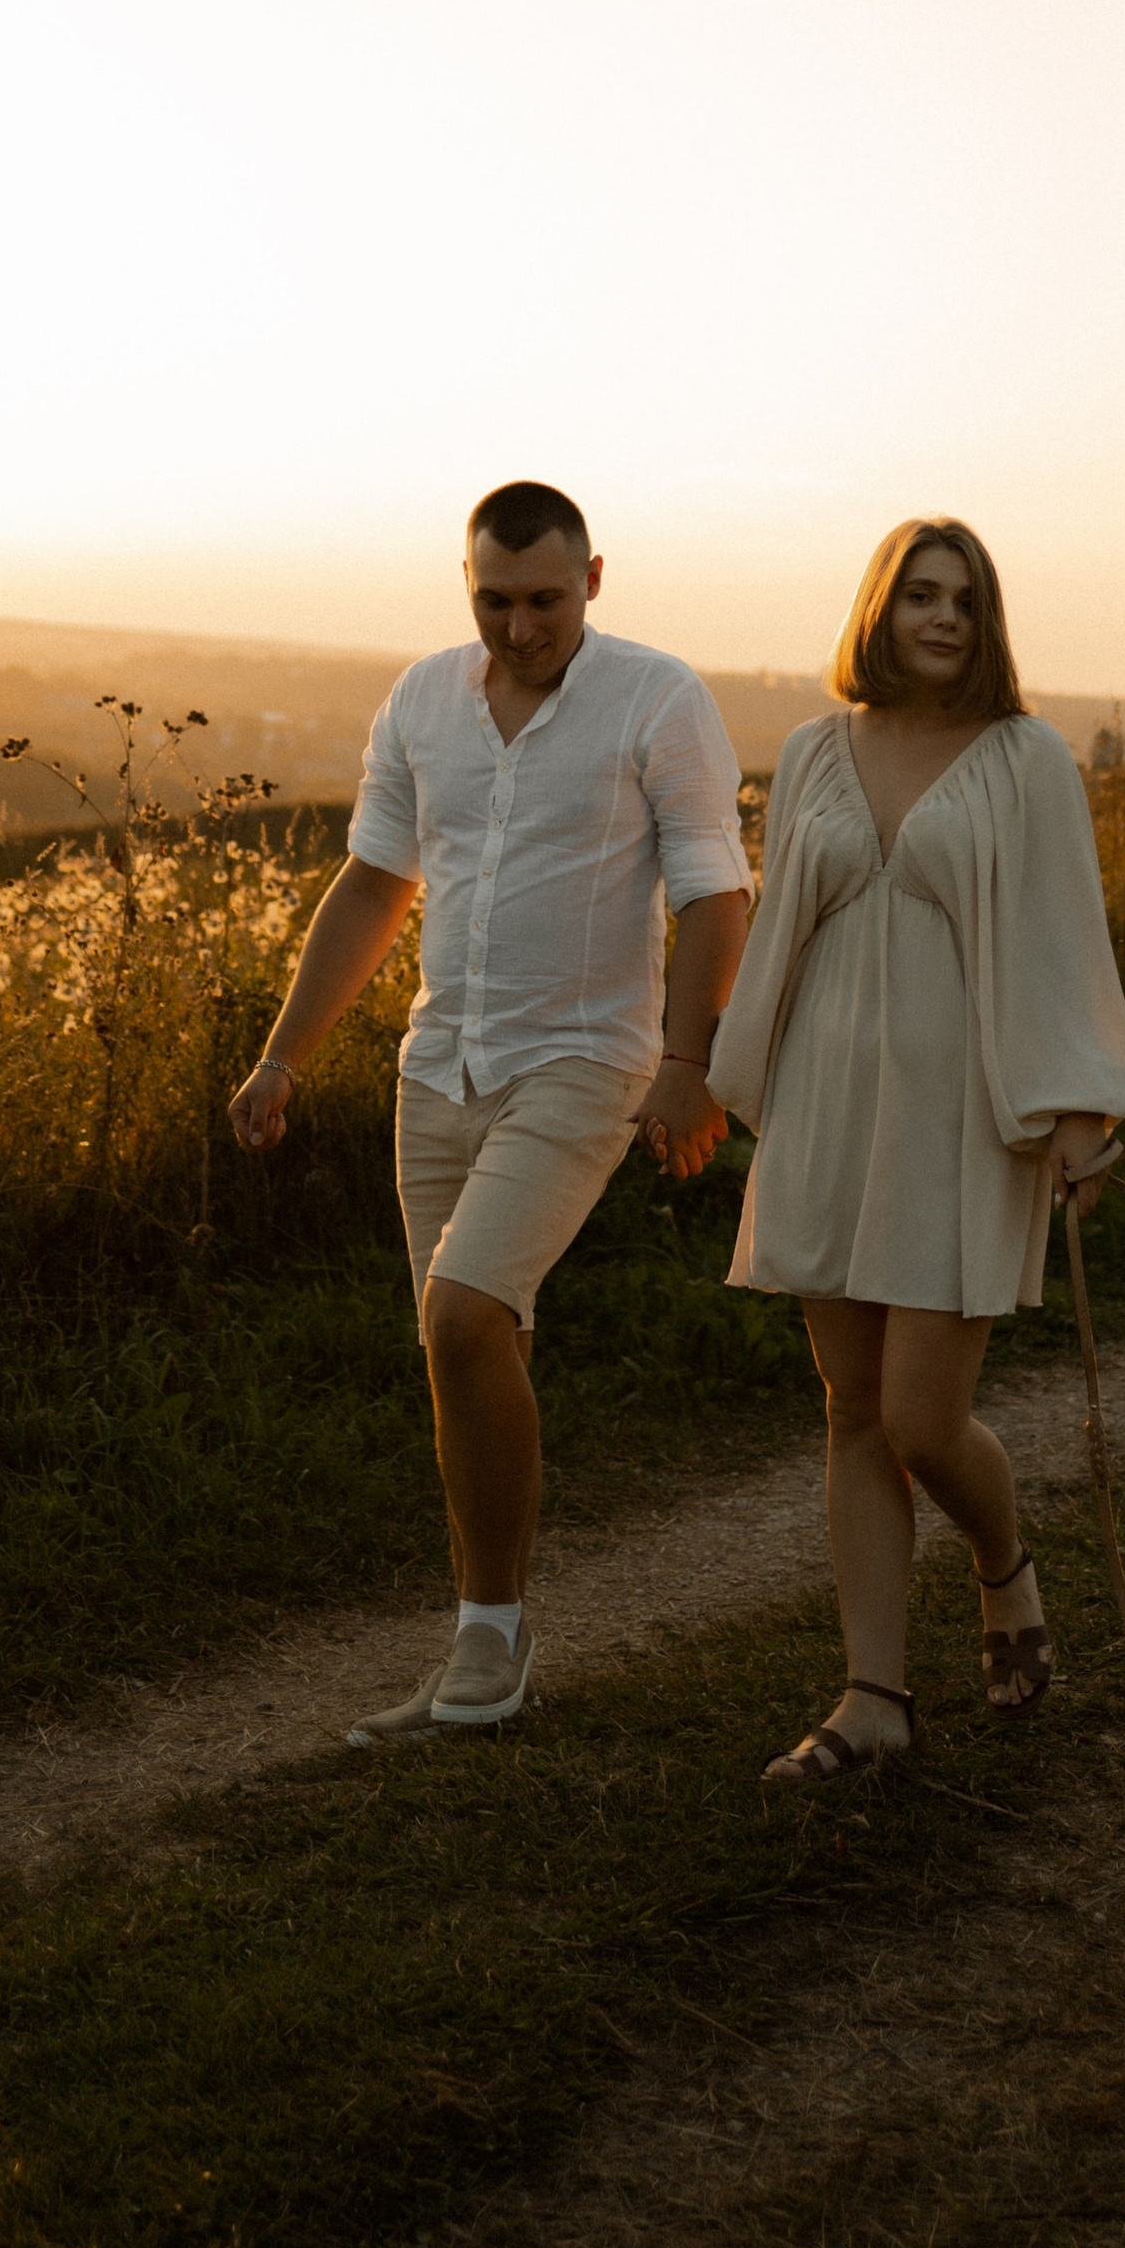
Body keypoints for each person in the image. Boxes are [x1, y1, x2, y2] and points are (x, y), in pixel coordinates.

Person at [228, 481, 751, 1741]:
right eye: (495, 601)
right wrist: (282, 1057)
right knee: (466, 1351)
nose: (520, 627)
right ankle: (491, 1633)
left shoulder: (658, 698)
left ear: (595, 579)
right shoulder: (420, 700)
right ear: (467, 584)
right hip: (436, 1070)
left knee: (464, 1315)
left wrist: (689, 1064)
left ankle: (487, 1648)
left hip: (584, 1062)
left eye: (545, 601)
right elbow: (372, 884)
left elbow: (714, 894)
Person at [708, 516, 1125, 1779]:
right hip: (829, 1106)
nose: (943, 616)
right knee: (852, 1410)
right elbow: (783, 925)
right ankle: (874, 1700)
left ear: (986, 617)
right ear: (880, 608)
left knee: (920, 1416)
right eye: (919, 594)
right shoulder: (811, 752)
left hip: (961, 1116)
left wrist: (1079, 1113)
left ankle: (1002, 1563)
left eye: (963, 597)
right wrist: (721, 1073)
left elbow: (1067, 941)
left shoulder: (1027, 761)